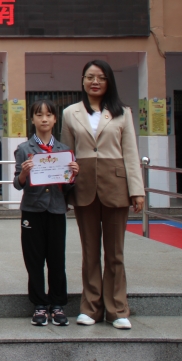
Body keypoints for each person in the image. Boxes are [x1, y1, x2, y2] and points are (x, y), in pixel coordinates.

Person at [61, 60, 145, 330]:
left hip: (116, 185)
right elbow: (66, 154)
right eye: (90, 77)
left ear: (109, 81)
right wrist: (65, 191)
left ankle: (117, 309)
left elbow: (130, 152)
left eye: (101, 77)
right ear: (82, 81)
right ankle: (90, 308)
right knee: (89, 252)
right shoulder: (70, 113)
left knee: (115, 253)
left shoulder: (122, 113)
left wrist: (137, 190)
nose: (95, 82)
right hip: (84, 186)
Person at [13, 100, 79, 326]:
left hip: (56, 209)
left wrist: (73, 176)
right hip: (32, 210)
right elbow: (17, 184)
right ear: (32, 119)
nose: (44, 119)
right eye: (39, 115)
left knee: (57, 259)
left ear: (55, 119)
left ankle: (58, 304)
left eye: (49, 115)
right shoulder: (24, 149)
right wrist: (24, 174)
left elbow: (68, 187)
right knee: (34, 260)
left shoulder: (64, 151)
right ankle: (39, 305)